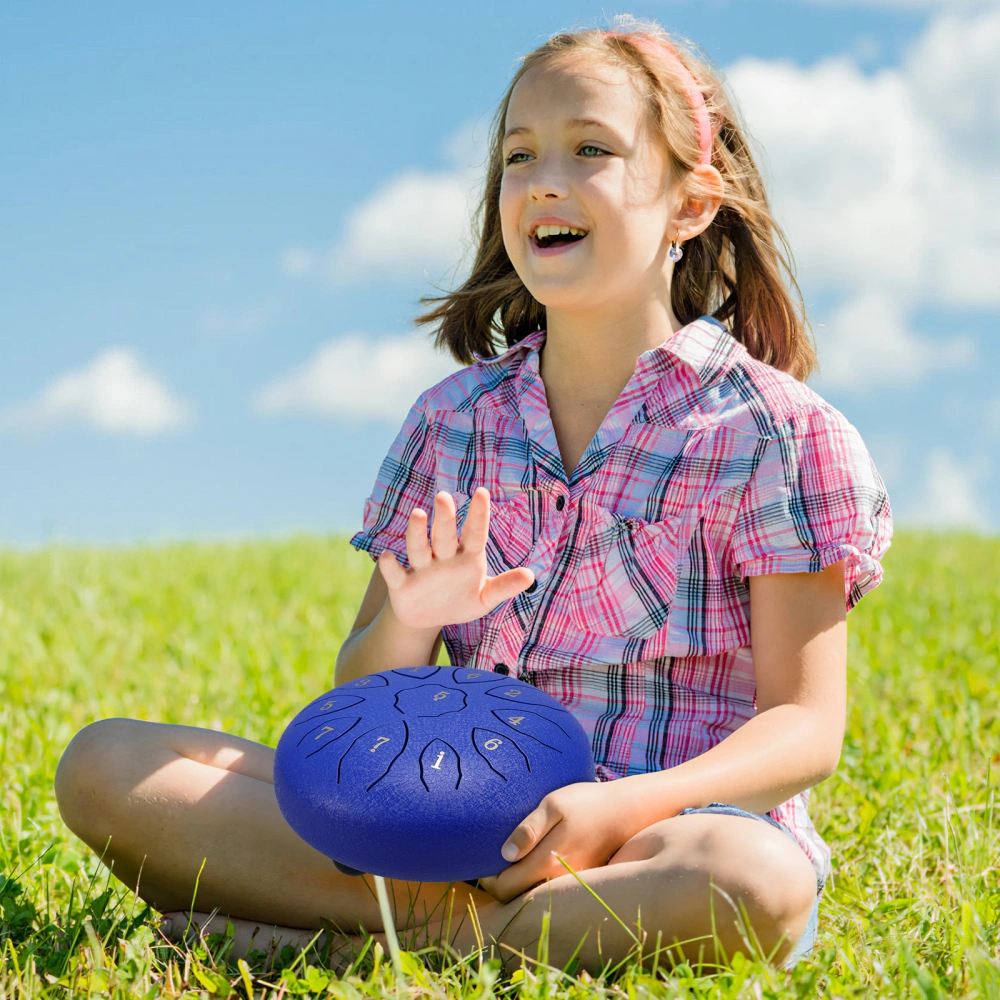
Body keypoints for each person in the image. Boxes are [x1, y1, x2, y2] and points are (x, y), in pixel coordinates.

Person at [54, 14, 892, 975]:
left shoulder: (777, 432)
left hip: (657, 836)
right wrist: (411, 623)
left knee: (756, 887)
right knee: (110, 767)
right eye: (518, 156)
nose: (543, 180)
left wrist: (619, 806)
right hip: (445, 826)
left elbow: (804, 726)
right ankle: (453, 932)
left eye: (591, 150)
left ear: (690, 206)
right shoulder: (454, 422)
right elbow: (361, 701)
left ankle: (373, 941)